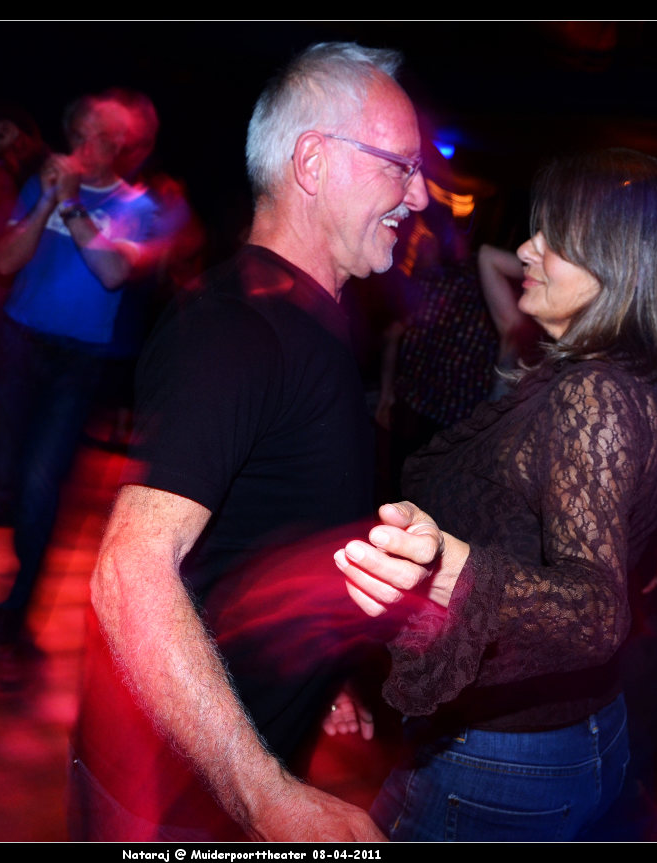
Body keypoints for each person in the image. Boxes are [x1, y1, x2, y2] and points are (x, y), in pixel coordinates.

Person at [70, 42, 428, 842]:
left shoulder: (310, 317)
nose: (420, 193)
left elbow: (257, 530)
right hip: (165, 797)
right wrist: (267, 794)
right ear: (314, 162)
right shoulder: (234, 328)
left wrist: (312, 669)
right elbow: (130, 574)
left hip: (220, 768)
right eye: (400, 167)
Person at [333, 148, 657, 841]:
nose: (528, 248)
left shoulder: (596, 394)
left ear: (617, 264)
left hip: (505, 757)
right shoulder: (621, 379)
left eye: (555, 237)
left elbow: (596, 611)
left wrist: (450, 566)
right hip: (568, 731)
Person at [0, 90, 161, 663]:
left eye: (102, 137)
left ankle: (15, 615)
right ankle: (13, 584)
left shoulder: (136, 206)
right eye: (81, 132)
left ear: (120, 146)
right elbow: (4, 261)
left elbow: (112, 272)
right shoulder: (45, 184)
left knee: (39, 483)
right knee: (6, 476)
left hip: (77, 362)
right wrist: (46, 201)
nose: (87, 145)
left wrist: (73, 204)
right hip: (17, 342)